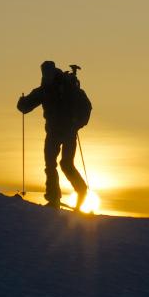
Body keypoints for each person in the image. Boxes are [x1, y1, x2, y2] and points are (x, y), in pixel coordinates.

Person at [17, 61, 92, 210]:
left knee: (60, 164)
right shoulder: (49, 89)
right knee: (58, 164)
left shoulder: (62, 88)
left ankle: (63, 196)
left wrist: (77, 124)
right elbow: (26, 106)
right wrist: (23, 103)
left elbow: (86, 107)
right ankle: (61, 196)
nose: (46, 76)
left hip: (63, 132)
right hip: (60, 132)